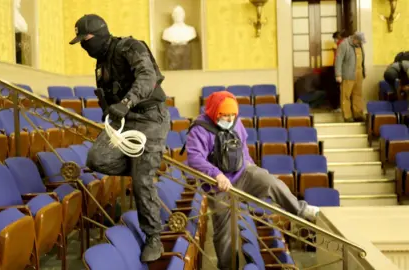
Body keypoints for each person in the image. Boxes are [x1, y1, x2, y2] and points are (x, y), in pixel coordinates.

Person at [69, 14, 170, 262]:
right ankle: (144, 165)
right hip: (123, 122)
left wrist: (127, 102)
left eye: (86, 40)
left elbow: (148, 77)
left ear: (101, 33)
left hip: (149, 118)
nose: (84, 46)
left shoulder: (129, 47)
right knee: (96, 158)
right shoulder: (100, 64)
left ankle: (153, 238)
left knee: (142, 181)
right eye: (80, 41)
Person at [185, 91, 320, 270]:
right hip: (219, 186)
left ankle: (300, 210)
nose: (229, 118)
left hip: (243, 173)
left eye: (232, 115)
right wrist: (216, 174)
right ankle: (227, 268)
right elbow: (194, 158)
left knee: (271, 182)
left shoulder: (236, 122)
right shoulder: (199, 129)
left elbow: (242, 147)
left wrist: (249, 164)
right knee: (224, 235)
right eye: (224, 115)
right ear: (214, 112)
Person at [335, 31, 366, 122]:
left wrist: (364, 71)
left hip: (359, 74)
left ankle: (358, 114)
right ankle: (347, 116)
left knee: (358, 95)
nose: (361, 43)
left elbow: (362, 59)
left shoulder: (360, 46)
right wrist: (338, 74)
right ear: (355, 39)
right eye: (360, 41)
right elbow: (338, 60)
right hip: (348, 74)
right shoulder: (344, 45)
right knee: (346, 96)